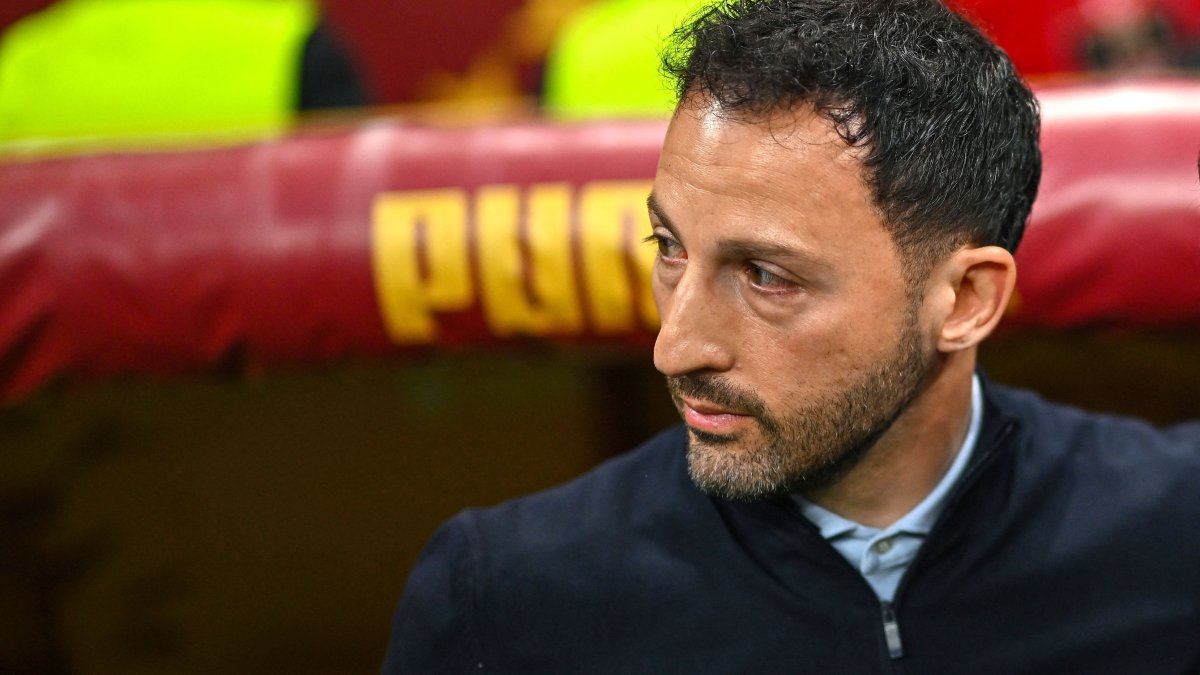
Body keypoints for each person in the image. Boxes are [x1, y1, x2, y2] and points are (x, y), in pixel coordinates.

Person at [382, 0, 1200, 671]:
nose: (676, 346)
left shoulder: (1173, 535)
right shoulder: (508, 599)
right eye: (669, 248)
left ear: (964, 300)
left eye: (767, 276)